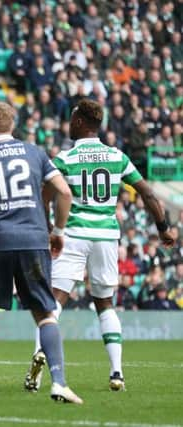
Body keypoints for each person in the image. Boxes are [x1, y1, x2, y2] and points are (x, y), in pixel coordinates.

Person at [25, 99, 175, 393]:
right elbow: (146, 192)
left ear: (80, 122)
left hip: (72, 234)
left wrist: (47, 230)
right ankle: (117, 372)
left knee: (53, 300)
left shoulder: (65, 158)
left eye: (71, 119)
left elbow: (43, 196)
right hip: (106, 236)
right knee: (105, 303)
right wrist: (163, 228)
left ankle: (39, 358)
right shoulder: (117, 156)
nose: (68, 124)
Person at [0, 102, 82, 404]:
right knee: (45, 314)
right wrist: (58, 232)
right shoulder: (35, 152)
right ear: (12, 124)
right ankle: (59, 383)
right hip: (35, 239)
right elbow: (64, 192)